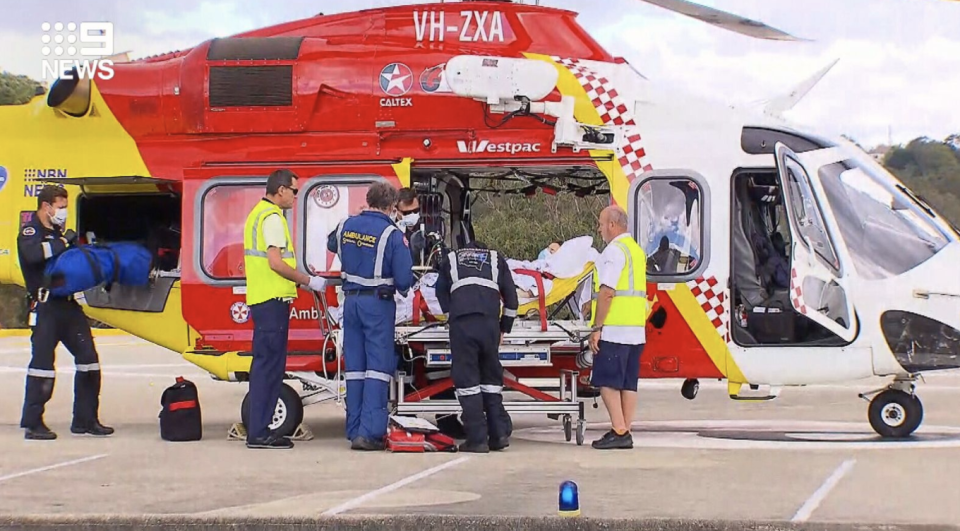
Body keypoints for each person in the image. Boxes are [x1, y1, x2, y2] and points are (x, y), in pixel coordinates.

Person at [18, 185, 112, 440]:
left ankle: (85, 419)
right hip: (46, 306)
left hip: (68, 306)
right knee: (42, 366)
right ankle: (33, 422)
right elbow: (33, 255)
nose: (63, 212)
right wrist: (61, 243)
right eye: (60, 207)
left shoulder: (59, 232)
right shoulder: (30, 232)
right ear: (46, 206)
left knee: (88, 359)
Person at [243, 169, 328, 450]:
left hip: (262, 300)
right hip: (271, 302)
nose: (295, 195)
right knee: (270, 368)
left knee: (264, 366)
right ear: (280, 190)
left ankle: (259, 428)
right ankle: (259, 432)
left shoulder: (258, 213)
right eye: (294, 190)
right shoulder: (272, 219)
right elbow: (276, 263)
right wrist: (308, 281)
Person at [326, 181, 414, 450]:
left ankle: (353, 429)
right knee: (378, 368)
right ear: (391, 206)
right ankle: (370, 432)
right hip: (377, 305)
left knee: (354, 369)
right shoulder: (392, 234)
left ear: (368, 200)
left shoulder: (345, 225)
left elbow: (331, 244)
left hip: (350, 304)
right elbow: (403, 282)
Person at [435, 239, 519, 453]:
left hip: (463, 324)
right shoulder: (495, 258)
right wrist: (503, 328)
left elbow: (440, 292)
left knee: (467, 382)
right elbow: (512, 300)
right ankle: (498, 434)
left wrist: (450, 315)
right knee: (491, 379)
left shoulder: (451, 259)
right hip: (490, 324)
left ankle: (477, 439)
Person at [587, 205, 647, 450]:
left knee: (608, 382)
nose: (599, 228)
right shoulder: (636, 250)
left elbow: (608, 292)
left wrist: (597, 327)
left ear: (612, 225)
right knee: (628, 382)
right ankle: (625, 428)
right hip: (635, 329)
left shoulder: (613, 251)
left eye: (601, 223)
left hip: (615, 328)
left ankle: (619, 430)